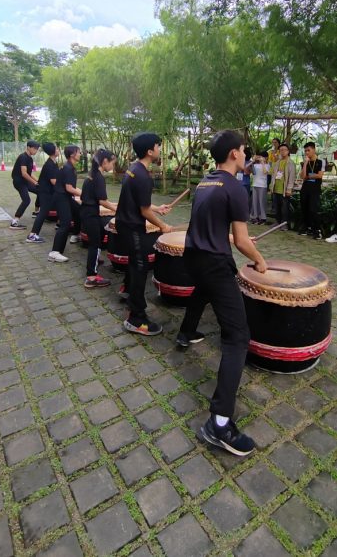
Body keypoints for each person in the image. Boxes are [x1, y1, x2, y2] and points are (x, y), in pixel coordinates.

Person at [175, 130, 267, 457]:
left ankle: (185, 332)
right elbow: (242, 240)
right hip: (214, 263)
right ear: (233, 154)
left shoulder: (205, 183)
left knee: (202, 291)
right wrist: (258, 260)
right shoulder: (235, 187)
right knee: (237, 337)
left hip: (195, 258)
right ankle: (220, 422)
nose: (246, 156)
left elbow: (207, 226)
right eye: (243, 151)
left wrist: (231, 242)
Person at [115, 133, 172, 335]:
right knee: (140, 267)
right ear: (150, 151)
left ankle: (127, 290)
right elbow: (143, 211)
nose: (159, 149)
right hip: (132, 227)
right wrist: (163, 226)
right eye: (158, 146)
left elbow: (141, 203)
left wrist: (158, 208)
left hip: (125, 223)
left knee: (135, 263)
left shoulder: (133, 168)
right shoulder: (143, 176)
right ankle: (136, 318)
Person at [80, 149, 118, 288]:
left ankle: (94, 259)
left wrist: (115, 204)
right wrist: (118, 210)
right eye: (112, 163)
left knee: (98, 239)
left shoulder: (93, 174)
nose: (112, 166)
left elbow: (99, 199)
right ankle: (91, 277)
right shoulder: (99, 177)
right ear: (105, 162)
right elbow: (102, 201)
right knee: (95, 244)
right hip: (90, 213)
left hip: (87, 211)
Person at [48, 145, 82, 263]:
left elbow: (71, 187)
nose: (80, 154)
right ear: (72, 154)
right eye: (79, 152)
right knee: (65, 223)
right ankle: (54, 252)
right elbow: (69, 188)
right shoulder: (68, 168)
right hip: (62, 197)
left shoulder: (70, 166)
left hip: (66, 196)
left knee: (78, 210)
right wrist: (85, 195)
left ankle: (76, 234)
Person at [26, 143, 60, 243]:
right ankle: (32, 235)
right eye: (57, 148)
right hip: (45, 192)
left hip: (49, 191)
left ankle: (60, 224)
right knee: (43, 213)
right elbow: (54, 181)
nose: (58, 150)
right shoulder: (49, 165)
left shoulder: (53, 162)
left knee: (60, 206)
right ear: (53, 151)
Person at [9, 140, 40, 229]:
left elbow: (29, 173)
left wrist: (39, 181)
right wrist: (35, 183)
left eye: (37, 149)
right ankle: (14, 222)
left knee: (40, 190)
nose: (36, 151)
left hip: (25, 181)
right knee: (26, 200)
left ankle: (36, 212)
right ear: (28, 147)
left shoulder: (30, 158)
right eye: (34, 149)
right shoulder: (23, 157)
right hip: (19, 182)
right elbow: (24, 173)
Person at [299, 142, 324, 239]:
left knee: (313, 209)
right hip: (305, 188)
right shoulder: (305, 162)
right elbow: (303, 176)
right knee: (304, 208)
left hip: (315, 189)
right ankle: (306, 227)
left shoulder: (320, 162)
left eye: (308, 150)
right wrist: (305, 164)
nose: (307, 152)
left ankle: (317, 230)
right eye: (305, 151)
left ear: (314, 150)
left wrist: (309, 176)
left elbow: (320, 175)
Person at [270, 143, 296, 228]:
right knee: (277, 207)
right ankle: (277, 222)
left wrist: (289, 189)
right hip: (276, 187)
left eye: (284, 150)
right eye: (281, 150)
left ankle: (285, 224)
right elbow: (273, 175)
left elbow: (292, 177)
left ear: (288, 151)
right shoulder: (277, 162)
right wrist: (271, 186)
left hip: (284, 189)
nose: (282, 151)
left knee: (285, 208)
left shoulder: (290, 163)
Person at [250, 153, 269, 224]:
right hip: (255, 184)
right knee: (255, 202)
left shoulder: (267, 165)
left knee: (262, 202)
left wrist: (263, 163)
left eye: (262, 157)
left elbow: (265, 172)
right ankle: (255, 217)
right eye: (260, 157)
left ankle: (263, 218)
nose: (261, 158)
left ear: (266, 158)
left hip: (262, 186)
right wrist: (253, 160)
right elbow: (252, 172)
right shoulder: (255, 165)